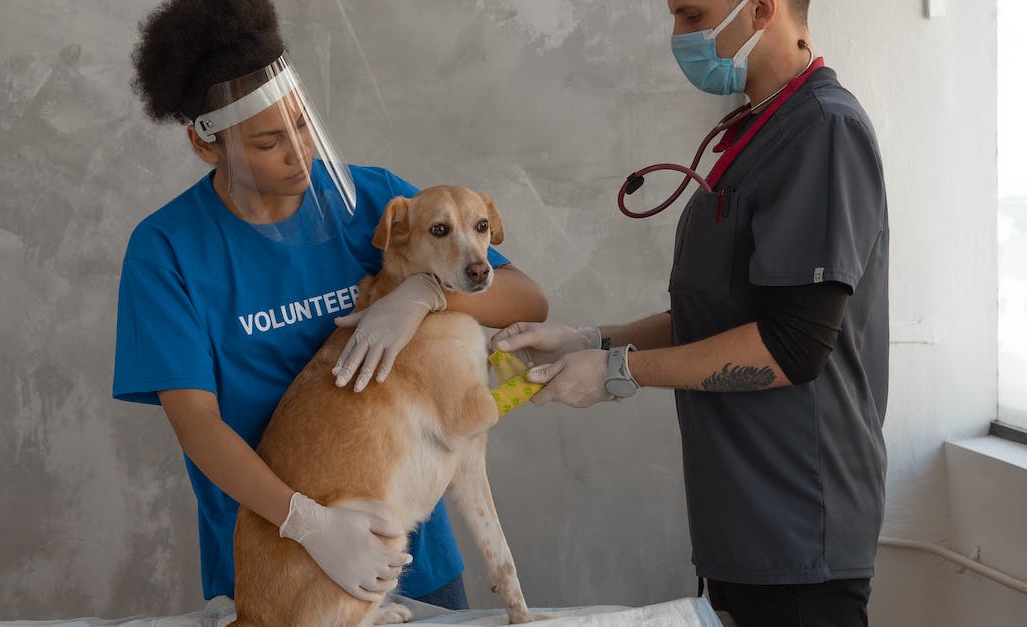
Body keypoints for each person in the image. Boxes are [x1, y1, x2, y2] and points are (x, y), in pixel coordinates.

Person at [113, 0, 548, 609]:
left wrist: (425, 294)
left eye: (302, 124)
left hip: (412, 556)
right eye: (269, 141)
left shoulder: (371, 199)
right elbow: (198, 426)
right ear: (206, 145)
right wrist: (310, 525)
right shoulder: (167, 252)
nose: (300, 152)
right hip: (287, 568)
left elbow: (527, 298)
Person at [492, 1, 887, 625]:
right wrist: (588, 339)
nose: (680, 36)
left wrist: (619, 371)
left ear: (760, 9)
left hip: (799, 524)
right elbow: (723, 314)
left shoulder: (823, 130)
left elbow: (792, 346)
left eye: (693, 13)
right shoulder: (755, 131)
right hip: (739, 521)